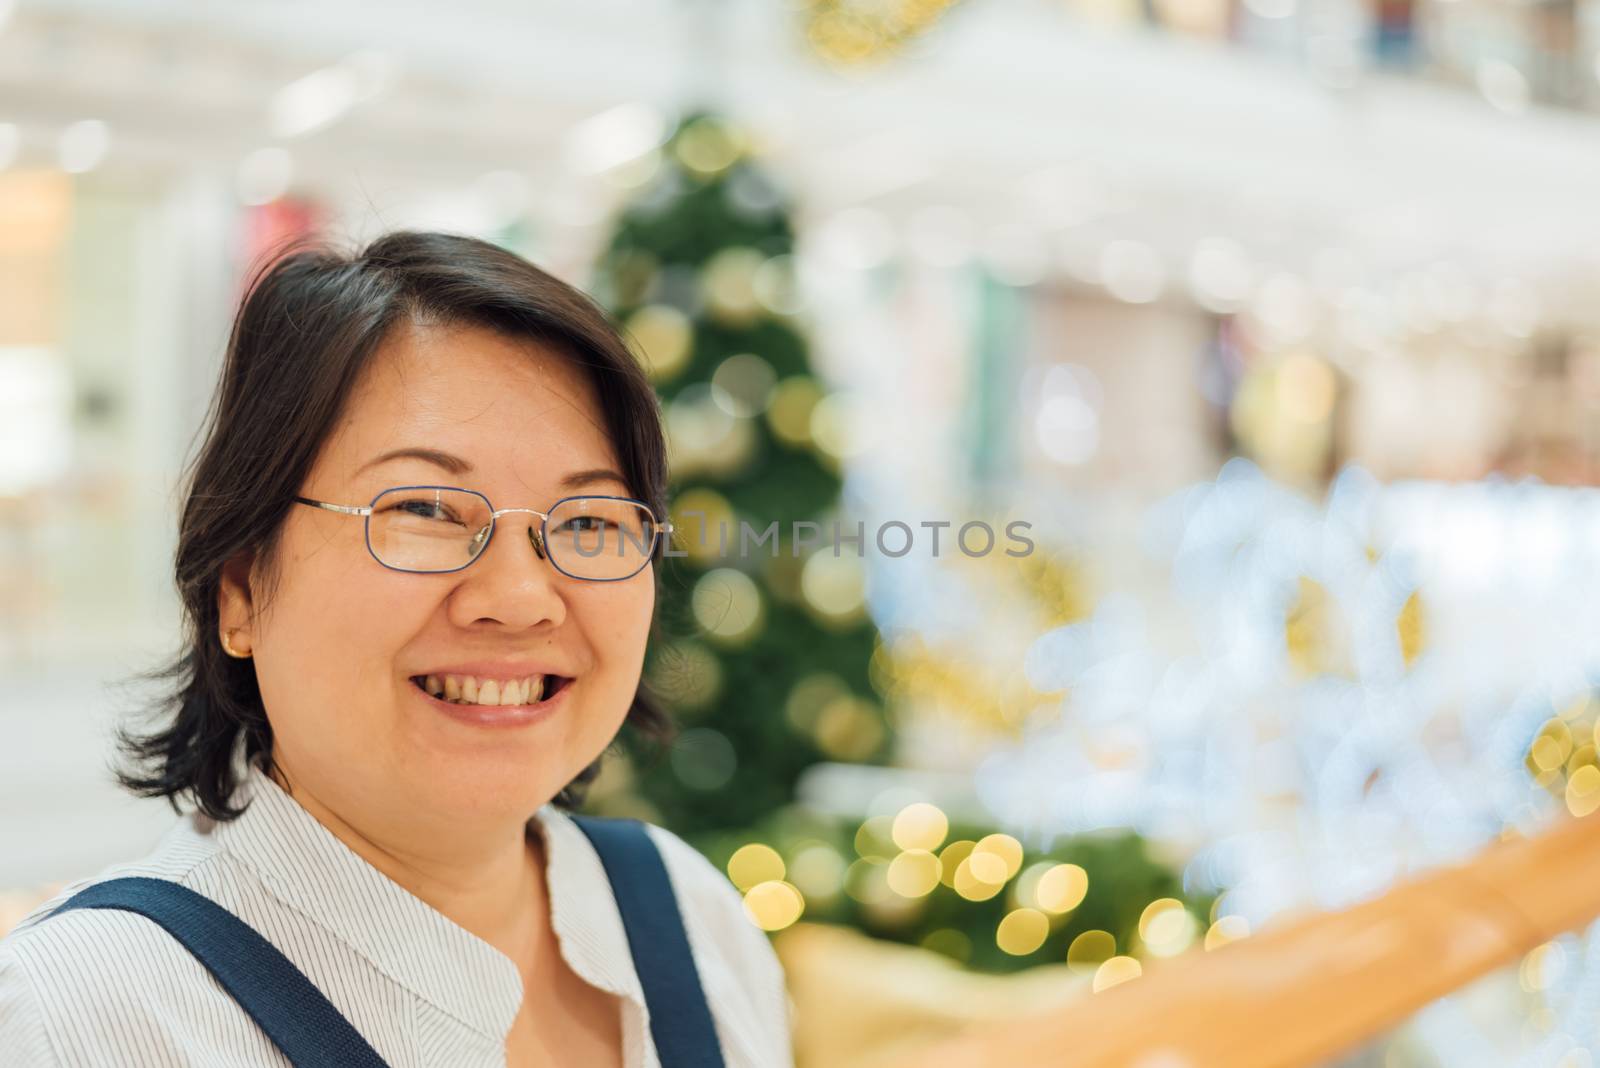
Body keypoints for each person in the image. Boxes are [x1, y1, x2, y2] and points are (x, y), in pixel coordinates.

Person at [0, 231, 793, 1067]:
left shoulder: (691, 920)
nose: (519, 599)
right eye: (425, 509)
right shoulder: (84, 1018)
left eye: (590, 522)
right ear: (238, 588)